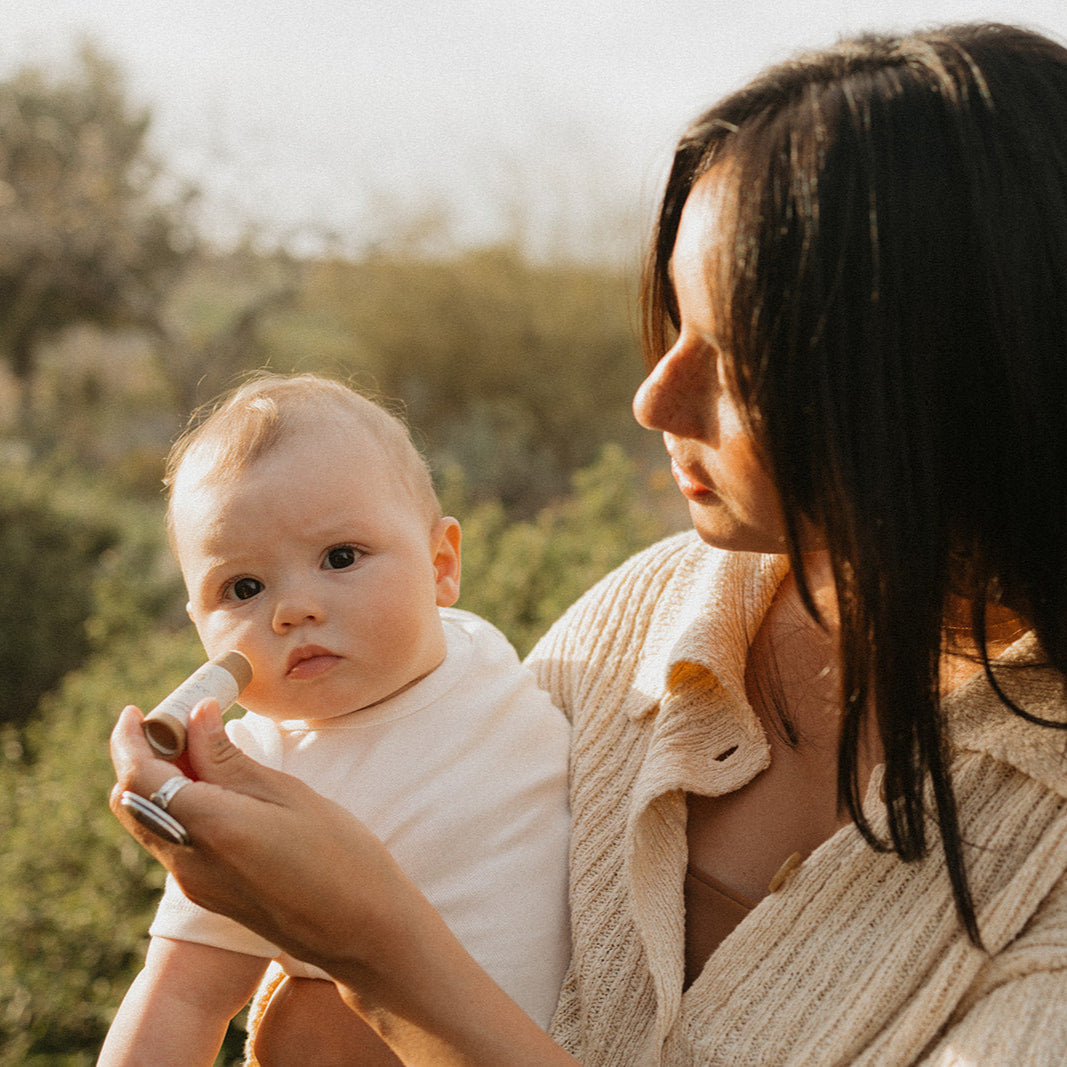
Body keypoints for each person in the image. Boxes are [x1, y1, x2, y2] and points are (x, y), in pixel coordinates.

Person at [109, 22, 1067, 1064]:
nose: (654, 395)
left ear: (949, 381)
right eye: (671, 326)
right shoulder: (649, 617)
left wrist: (378, 951)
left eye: (736, 358)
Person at [99, 374, 571, 1066]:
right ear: (199, 625)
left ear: (441, 566)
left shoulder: (482, 651)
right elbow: (182, 995)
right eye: (243, 588)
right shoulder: (249, 779)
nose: (293, 609)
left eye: (341, 557)